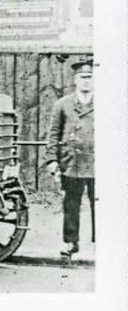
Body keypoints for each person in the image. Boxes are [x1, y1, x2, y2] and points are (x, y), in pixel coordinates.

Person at [46, 56, 95, 258]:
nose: (86, 80)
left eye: (90, 77)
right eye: (82, 77)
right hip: (71, 163)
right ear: (75, 79)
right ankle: (70, 243)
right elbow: (53, 133)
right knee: (71, 205)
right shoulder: (63, 104)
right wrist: (52, 160)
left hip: (98, 164)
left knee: (100, 204)